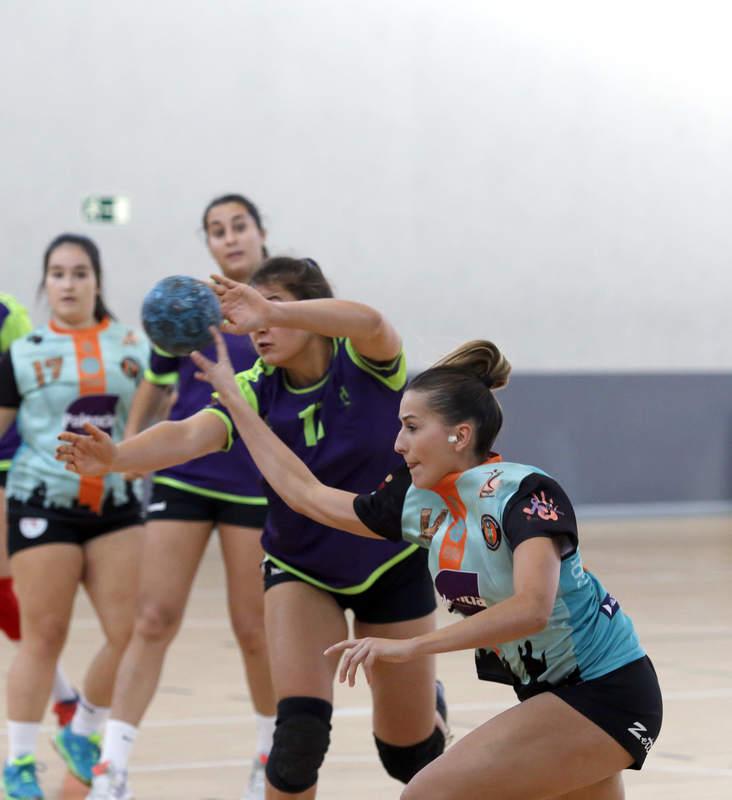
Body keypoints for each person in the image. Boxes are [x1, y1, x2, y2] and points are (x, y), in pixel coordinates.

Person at [124, 332, 663, 800]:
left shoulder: (525, 493)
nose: (397, 442)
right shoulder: (419, 503)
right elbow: (307, 494)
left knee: (427, 791)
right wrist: (237, 404)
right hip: (550, 695)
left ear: (460, 435)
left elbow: (531, 608)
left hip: (604, 690)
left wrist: (408, 648)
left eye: (411, 426)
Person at [57, 258, 448, 800]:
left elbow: (372, 321)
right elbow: (187, 434)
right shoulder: (255, 387)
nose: (257, 327)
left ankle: (431, 708)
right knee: (297, 745)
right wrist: (117, 457)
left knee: (409, 756)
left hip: (388, 561)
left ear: (305, 310)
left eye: (270, 313)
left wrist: (272, 308)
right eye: (248, 317)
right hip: (301, 568)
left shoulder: (363, 361)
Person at [91, 194, 275, 800]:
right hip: (185, 471)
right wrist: (127, 454)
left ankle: (270, 754)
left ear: (260, 232)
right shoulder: (189, 306)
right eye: (217, 231)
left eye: (239, 226)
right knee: (152, 617)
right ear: (209, 243)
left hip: (254, 480)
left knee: (252, 627)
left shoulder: (285, 301)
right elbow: (157, 383)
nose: (230, 238)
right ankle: (111, 767)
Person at [0, 236, 148, 800]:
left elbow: (155, 418)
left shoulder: (134, 346)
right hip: (42, 504)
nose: (68, 283)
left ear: (97, 281)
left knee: (130, 632)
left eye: (79, 272)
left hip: (113, 508)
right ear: (45, 284)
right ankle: (17, 764)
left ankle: (81, 726)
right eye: (57, 273)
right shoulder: (23, 352)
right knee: (44, 634)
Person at [0, 293, 81, 728]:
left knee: (3, 588)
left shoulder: (7, 315)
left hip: (6, 464)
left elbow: (32, 388)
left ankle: (64, 697)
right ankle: (65, 695)